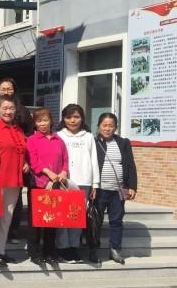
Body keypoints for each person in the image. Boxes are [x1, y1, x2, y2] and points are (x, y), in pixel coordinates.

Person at [0, 95, 28, 267]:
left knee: (7, 217)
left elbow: (22, 150)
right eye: (4, 108)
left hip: (15, 178)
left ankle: (1, 250)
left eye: (11, 108)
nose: (8, 111)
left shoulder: (18, 129)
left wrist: (25, 162)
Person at [26, 107, 69, 265]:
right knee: (36, 220)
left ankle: (49, 251)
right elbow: (33, 162)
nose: (42, 124)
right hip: (39, 184)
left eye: (45, 120)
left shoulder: (59, 140)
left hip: (56, 185)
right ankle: (34, 252)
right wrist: (47, 172)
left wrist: (64, 172)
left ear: (51, 120)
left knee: (52, 220)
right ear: (35, 123)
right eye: (38, 121)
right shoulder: (32, 140)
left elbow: (65, 160)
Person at [57, 104, 100, 263]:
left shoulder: (88, 137)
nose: (73, 120)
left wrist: (95, 183)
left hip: (84, 182)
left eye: (76, 117)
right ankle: (63, 248)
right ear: (63, 118)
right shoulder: (59, 136)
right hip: (65, 182)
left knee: (77, 217)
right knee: (63, 216)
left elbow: (94, 159)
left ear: (82, 118)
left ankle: (74, 247)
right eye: (69, 117)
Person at [95, 112, 138, 264]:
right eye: (104, 125)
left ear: (116, 127)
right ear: (98, 126)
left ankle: (115, 249)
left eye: (111, 126)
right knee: (95, 220)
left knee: (117, 220)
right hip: (98, 189)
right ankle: (93, 249)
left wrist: (132, 186)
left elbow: (130, 166)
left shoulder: (124, 142)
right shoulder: (93, 142)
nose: (107, 128)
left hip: (120, 189)